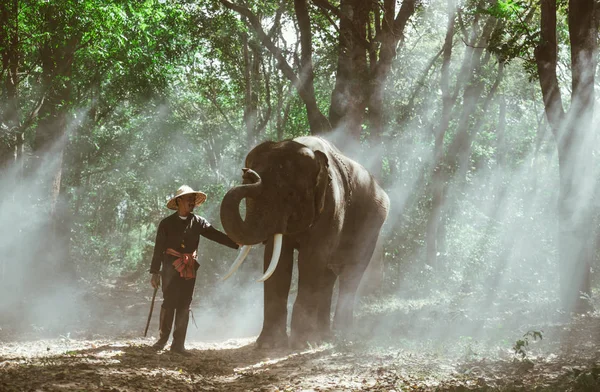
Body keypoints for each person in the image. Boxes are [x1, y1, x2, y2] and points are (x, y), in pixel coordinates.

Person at [149, 185, 239, 354]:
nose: (191, 202)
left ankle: (178, 345)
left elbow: (215, 235)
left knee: (184, 303)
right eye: (188, 199)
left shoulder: (198, 222)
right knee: (169, 301)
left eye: (193, 199)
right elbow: (158, 248)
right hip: (170, 267)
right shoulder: (166, 223)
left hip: (190, 267)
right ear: (178, 201)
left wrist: (236, 242)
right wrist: (155, 272)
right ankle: (162, 340)